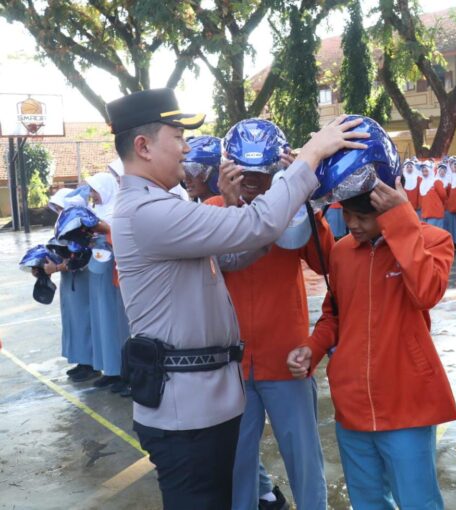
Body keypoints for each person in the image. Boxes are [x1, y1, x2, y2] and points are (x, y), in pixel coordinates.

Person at [108, 88, 368, 509]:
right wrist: (311, 156)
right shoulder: (151, 211)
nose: (186, 147)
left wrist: (290, 205)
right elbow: (257, 226)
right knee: (226, 486)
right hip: (191, 404)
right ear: (143, 145)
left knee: (291, 465)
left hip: (242, 378)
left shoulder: (162, 205)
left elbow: (242, 248)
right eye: (177, 136)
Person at [287, 119, 456, 509]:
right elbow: (334, 314)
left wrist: (401, 222)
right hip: (353, 406)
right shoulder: (343, 252)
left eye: (362, 216)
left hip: (407, 405)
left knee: (418, 501)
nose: (351, 224)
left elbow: (426, 292)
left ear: (387, 202)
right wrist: (313, 349)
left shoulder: (432, 240)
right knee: (366, 501)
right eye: (346, 213)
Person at [208, 118, 331, 510]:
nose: (251, 181)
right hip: (232, 365)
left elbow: (326, 261)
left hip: (288, 360)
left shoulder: (291, 209)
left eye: (260, 173)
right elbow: (211, 267)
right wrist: (229, 207)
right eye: (242, 171)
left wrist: (305, 197)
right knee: (237, 467)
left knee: (305, 463)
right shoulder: (211, 210)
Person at [85, 172, 131, 394]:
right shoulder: (96, 212)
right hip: (100, 273)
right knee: (106, 324)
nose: (92, 194)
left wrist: (103, 230)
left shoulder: (116, 212)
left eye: (95, 189)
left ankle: (125, 373)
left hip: (116, 275)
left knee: (121, 326)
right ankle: (111, 370)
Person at [45, 190, 95, 381]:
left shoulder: (82, 229)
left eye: (61, 209)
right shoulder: (65, 228)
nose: (58, 212)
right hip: (70, 281)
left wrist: (57, 267)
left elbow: (81, 258)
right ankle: (81, 360)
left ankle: (89, 363)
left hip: (81, 281)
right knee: (73, 321)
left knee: (84, 320)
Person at [182, 135, 220, 202]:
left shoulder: (226, 207)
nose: (186, 180)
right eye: (184, 171)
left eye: (193, 171)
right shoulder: (196, 207)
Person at [419, 162, 447, 229]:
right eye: (423, 171)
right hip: (425, 213)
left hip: (435, 213)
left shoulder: (436, 181)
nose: (424, 173)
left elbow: (443, 195)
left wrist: (436, 204)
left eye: (426, 171)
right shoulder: (422, 183)